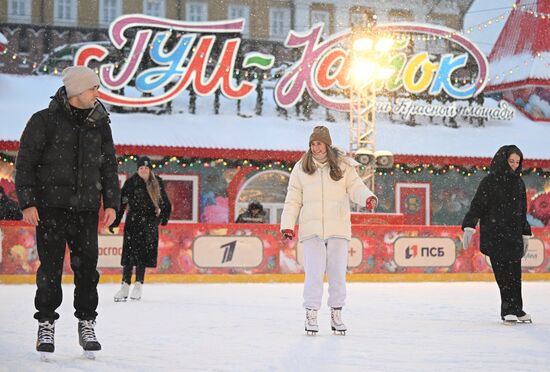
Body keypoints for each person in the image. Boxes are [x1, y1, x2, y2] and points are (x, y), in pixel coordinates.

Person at [15, 66, 120, 355]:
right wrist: (28, 201)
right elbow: (25, 164)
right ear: (76, 91)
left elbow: (108, 166)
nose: (98, 93)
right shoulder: (44, 121)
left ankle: (87, 321)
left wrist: (111, 202)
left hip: (85, 209)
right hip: (50, 209)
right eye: (93, 88)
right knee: (50, 269)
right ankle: (46, 323)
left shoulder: (100, 122)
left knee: (87, 270)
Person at [280, 125, 377, 335]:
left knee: (337, 274)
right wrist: (287, 225)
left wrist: (367, 197)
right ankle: (312, 313)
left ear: (327, 144)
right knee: (314, 274)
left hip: (338, 226)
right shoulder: (301, 167)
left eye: (319, 144)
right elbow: (293, 199)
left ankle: (336, 313)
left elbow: (356, 187)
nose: (315, 148)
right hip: (311, 228)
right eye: (312, 144)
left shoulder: (342, 166)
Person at [462, 145, 533, 324]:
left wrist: (525, 233)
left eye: (517, 162)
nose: (515, 165)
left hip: (514, 236)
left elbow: (522, 211)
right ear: (503, 160)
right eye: (511, 161)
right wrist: (469, 226)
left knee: (515, 275)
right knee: (503, 275)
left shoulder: (519, 182)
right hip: (495, 235)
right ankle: (507, 310)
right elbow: (477, 205)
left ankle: (517, 309)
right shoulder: (490, 181)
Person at [110, 156, 171, 302]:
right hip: (132, 223)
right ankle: (125, 286)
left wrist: (161, 220)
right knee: (129, 256)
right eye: (141, 168)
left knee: (142, 256)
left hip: (149, 224)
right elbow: (121, 204)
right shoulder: (131, 183)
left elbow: (166, 204)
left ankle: (138, 284)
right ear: (137, 170)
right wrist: (115, 222)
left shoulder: (157, 183)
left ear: (150, 170)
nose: (143, 170)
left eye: (146, 168)